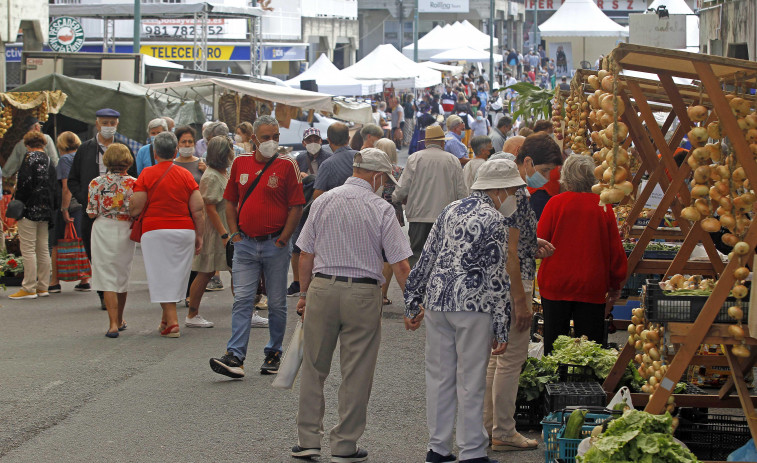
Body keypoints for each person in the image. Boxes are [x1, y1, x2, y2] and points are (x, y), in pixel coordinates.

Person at [291, 148, 412, 463]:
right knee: (357, 371)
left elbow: (305, 253)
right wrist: (412, 304)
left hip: (322, 288)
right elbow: (400, 264)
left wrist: (304, 294)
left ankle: (308, 441)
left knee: (314, 367)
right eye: (383, 178)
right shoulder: (381, 208)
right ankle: (344, 444)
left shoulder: (323, 201)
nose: (383, 184)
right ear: (375, 175)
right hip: (363, 294)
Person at [405, 160, 525, 463]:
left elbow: (428, 255)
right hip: (474, 304)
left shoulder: (450, 209)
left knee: (439, 376)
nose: (513, 194)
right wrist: (502, 324)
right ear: (497, 190)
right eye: (511, 189)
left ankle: (438, 447)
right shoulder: (495, 219)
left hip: (438, 301)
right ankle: (471, 451)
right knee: (471, 378)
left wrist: (412, 298)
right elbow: (497, 275)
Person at [209, 115, 304, 378]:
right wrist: (234, 234)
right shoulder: (240, 163)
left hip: (275, 244)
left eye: (275, 137)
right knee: (242, 300)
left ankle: (273, 352)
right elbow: (229, 201)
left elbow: (296, 205)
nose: (271, 142)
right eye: (265, 137)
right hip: (246, 245)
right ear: (254, 139)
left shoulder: (288, 165)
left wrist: (284, 238)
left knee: (276, 302)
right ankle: (235, 356)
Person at [483, 135, 559, 453]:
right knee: (511, 360)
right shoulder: (517, 192)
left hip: (492, 282)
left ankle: (487, 426)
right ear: (526, 162)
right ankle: (503, 429)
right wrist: (520, 301)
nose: (544, 175)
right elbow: (510, 253)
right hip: (512, 285)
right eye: (542, 168)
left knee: (494, 359)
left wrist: (532, 244)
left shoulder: (499, 186)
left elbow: (509, 241)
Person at [537, 154, 627, 354]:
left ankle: (554, 382)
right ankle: (585, 383)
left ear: (566, 177)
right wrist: (615, 284)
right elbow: (615, 250)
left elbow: (540, 242)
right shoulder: (603, 206)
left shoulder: (555, 203)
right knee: (589, 346)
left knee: (554, 344)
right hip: (591, 284)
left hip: (556, 283)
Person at [129, 132, 205, 338]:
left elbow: (136, 207)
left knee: (160, 275)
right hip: (184, 230)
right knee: (175, 275)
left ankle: (172, 322)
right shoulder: (185, 175)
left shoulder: (146, 174)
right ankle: (166, 318)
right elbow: (198, 208)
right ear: (174, 151)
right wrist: (200, 235)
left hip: (155, 231)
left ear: (155, 153)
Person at [67, 108, 137, 310]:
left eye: (112, 123)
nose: (108, 127)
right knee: (94, 253)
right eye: (104, 123)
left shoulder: (124, 148)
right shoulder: (86, 149)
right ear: (97, 124)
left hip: (121, 216)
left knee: (119, 258)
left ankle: (112, 292)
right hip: (92, 211)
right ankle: (104, 292)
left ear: (117, 125)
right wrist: (85, 198)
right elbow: (73, 179)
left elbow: (134, 179)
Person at [392, 125, 467, 267]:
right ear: (442, 142)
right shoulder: (452, 160)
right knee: (442, 256)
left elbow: (403, 187)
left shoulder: (415, 158)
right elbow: (462, 191)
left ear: (426, 142)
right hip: (445, 217)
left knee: (417, 256)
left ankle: (416, 287)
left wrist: (395, 198)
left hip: (418, 216)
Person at [186, 136, 238, 329]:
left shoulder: (222, 173)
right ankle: (192, 314)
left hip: (224, 229)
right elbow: (210, 207)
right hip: (218, 231)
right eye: (230, 149)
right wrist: (225, 234)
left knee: (232, 271)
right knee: (207, 271)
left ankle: (245, 312)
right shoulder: (211, 176)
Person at [86, 144, 137, 338]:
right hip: (125, 228)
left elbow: (91, 213)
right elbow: (136, 210)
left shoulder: (95, 183)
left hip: (103, 227)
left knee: (106, 276)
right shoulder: (134, 183)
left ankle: (112, 324)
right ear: (127, 160)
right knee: (121, 275)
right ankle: (121, 318)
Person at [8, 131, 58, 300]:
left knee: (28, 249)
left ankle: (29, 287)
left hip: (30, 209)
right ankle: (43, 286)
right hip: (46, 209)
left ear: (27, 144)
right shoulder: (49, 160)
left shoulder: (29, 159)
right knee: (43, 248)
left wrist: (20, 202)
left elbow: (24, 183)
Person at [287, 128, 331, 298]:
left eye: (316, 139)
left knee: (320, 245)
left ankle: (318, 280)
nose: (313, 143)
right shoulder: (299, 159)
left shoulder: (328, 159)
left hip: (322, 206)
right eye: (309, 140)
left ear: (321, 141)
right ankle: (297, 282)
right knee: (297, 245)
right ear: (304, 142)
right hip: (303, 206)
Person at [49, 131, 90, 293]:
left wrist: (64, 209)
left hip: (70, 205)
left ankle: (54, 281)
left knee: (57, 242)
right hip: (82, 203)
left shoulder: (65, 160)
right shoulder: (82, 157)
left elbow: (66, 187)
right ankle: (84, 279)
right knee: (81, 241)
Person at [374, 138, 404, 306]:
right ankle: (382, 294)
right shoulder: (399, 171)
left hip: (373, 214)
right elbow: (404, 194)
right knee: (389, 256)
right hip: (394, 215)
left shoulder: (373, 169)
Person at [312, 122, 357, 200]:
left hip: (338, 208)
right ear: (349, 138)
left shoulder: (327, 165)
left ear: (329, 140)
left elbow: (317, 196)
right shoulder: (360, 157)